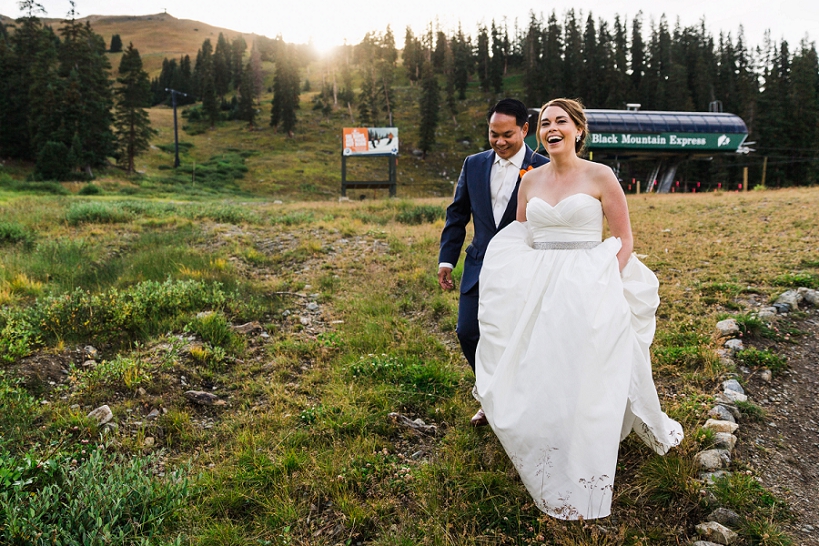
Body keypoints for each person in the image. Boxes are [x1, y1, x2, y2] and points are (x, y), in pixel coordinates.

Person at [474, 98, 683, 520]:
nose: (552, 128)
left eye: (560, 121)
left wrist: (603, 278)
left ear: (577, 130)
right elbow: (520, 234)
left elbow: (624, 239)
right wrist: (511, 276)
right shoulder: (529, 181)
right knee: (544, 361)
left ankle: (585, 436)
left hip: (590, 279)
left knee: (584, 360)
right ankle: (547, 429)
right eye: (545, 123)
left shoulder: (601, 176)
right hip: (542, 285)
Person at [438, 98, 549, 426]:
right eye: (493, 134)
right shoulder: (473, 164)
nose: (500, 141)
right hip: (479, 265)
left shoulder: (544, 167)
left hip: (525, 268)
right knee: (468, 332)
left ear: (525, 130)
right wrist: (447, 259)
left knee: (518, 338)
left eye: (508, 135)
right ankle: (490, 392)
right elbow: (457, 214)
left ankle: (518, 397)